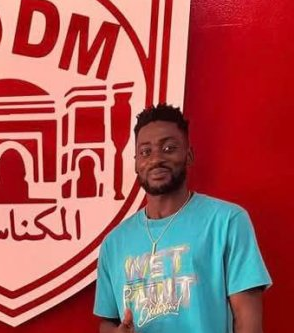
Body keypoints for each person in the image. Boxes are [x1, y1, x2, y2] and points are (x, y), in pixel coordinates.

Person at [94, 104, 271, 333]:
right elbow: (107, 322)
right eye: (146, 152)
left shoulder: (227, 221)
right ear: (136, 163)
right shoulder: (114, 243)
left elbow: (248, 321)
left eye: (168, 148)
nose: (156, 159)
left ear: (189, 156)